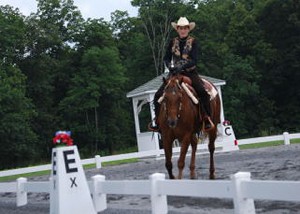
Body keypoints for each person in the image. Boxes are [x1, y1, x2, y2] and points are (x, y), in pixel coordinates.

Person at [149, 17, 213, 132]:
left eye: (185, 28)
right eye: (180, 28)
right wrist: (170, 66)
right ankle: (157, 121)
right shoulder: (172, 42)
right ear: (177, 29)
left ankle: (206, 118)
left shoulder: (193, 41)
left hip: (190, 72)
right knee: (158, 95)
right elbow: (166, 58)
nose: (183, 30)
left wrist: (182, 67)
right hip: (174, 74)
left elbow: (194, 60)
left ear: (188, 29)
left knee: (202, 92)